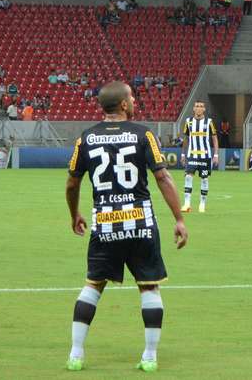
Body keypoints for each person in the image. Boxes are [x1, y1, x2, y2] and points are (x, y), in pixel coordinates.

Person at [64, 81, 188, 372]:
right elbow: (162, 177)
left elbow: (72, 183)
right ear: (122, 104)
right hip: (140, 223)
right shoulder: (143, 134)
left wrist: (74, 214)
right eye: (131, 96)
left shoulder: (86, 138)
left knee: (93, 285)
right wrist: (179, 219)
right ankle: (150, 357)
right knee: (149, 286)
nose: (134, 100)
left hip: (105, 224)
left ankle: (76, 354)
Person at [180, 100, 219, 214]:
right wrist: (183, 154)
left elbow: (214, 138)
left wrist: (216, 154)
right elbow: (186, 138)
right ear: (193, 108)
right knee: (188, 177)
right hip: (192, 155)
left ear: (204, 109)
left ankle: (202, 204)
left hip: (205, 156)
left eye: (201, 106)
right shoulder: (188, 121)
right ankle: (187, 204)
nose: (199, 108)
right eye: (197, 106)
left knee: (204, 179)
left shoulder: (209, 122)